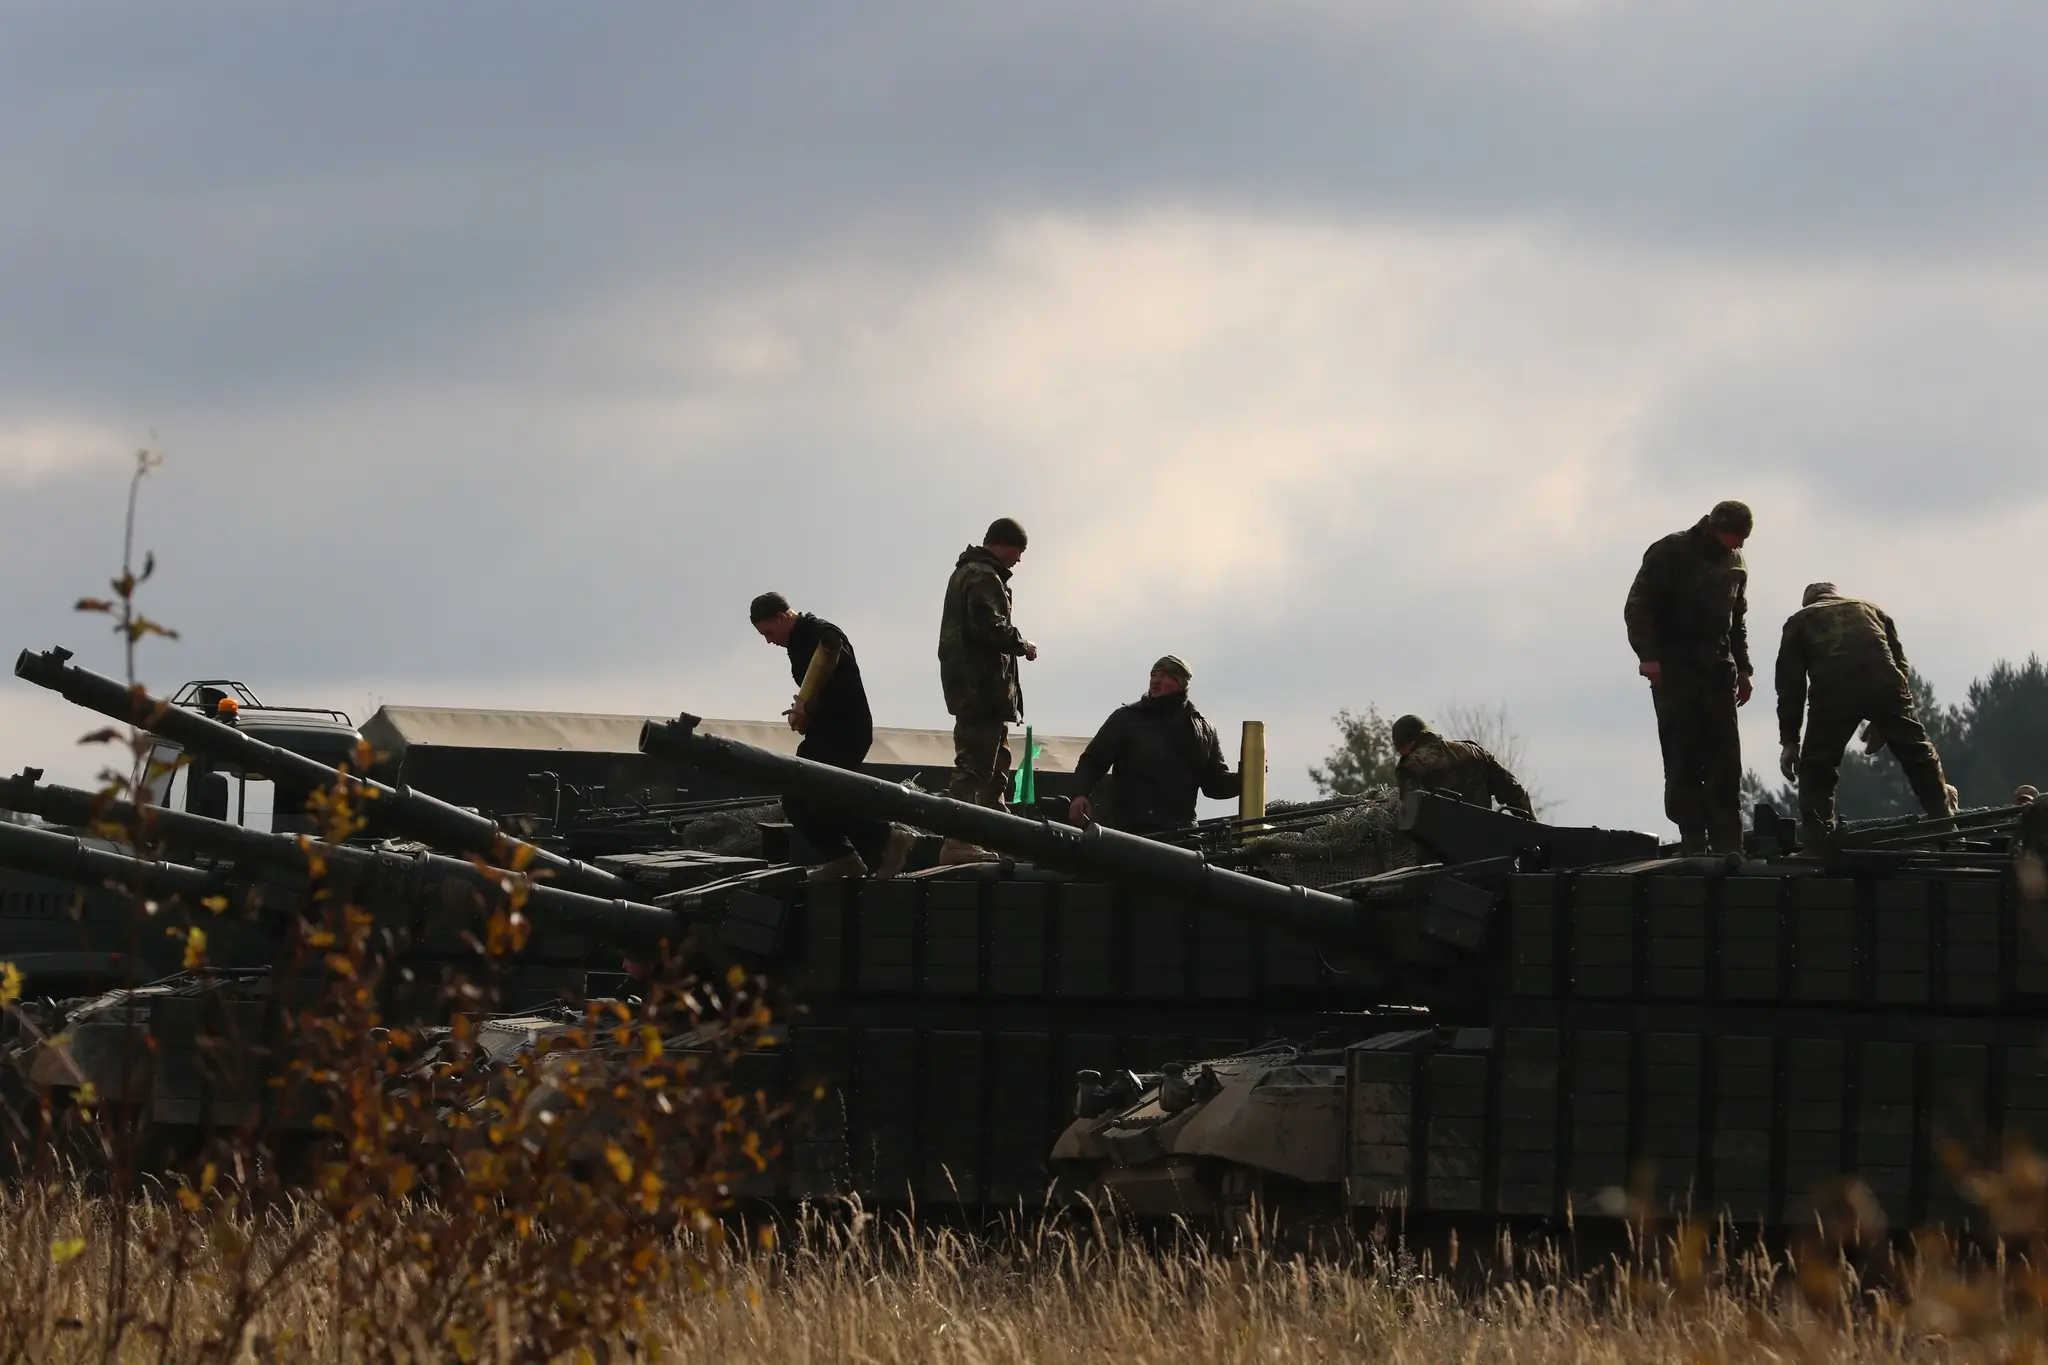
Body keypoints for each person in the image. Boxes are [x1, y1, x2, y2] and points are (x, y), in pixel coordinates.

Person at [1774, 582, 1957, 848]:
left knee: (1817, 768)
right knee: (1919, 756)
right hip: (1885, 687)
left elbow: (1790, 686)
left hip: (1833, 691)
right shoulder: (1871, 610)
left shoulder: (1800, 620)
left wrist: (1790, 742)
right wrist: (1888, 716)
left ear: (1809, 602)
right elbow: (1899, 664)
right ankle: (1946, 826)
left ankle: (1817, 842)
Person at [749, 592, 913, 881]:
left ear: (782, 616)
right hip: (825, 731)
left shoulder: (823, 635)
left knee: (819, 794)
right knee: (797, 798)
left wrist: (809, 708)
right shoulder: (799, 641)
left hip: (847, 730)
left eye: (769, 632)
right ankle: (843, 859)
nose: (768, 640)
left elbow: (844, 689)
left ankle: (888, 838)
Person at [1623, 499, 1755, 855]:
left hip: (1717, 670)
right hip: (1675, 669)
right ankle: (1693, 837)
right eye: (1736, 535)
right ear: (1717, 527)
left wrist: (1743, 669)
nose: (1740, 544)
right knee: (1683, 757)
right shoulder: (1671, 551)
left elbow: (1737, 622)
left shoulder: (1736, 562)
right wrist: (1648, 656)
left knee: (1725, 760)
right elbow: (1639, 605)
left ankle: (1729, 842)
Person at [936, 517, 1038, 863]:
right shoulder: (982, 575)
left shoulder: (970, 573)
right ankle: (958, 840)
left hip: (980, 690)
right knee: (975, 766)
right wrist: (1022, 644)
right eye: (1018, 551)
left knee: (996, 766)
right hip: (979, 689)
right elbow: (989, 627)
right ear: (1004, 544)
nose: (1019, 560)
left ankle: (995, 833)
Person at [1069, 656, 1241, 835]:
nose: (1156, 681)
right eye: (1154, 675)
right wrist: (1079, 795)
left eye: (1166, 676)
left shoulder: (1203, 729)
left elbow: (1215, 784)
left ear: (1182, 684)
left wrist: (1249, 775)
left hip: (1185, 834)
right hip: (1134, 832)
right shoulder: (1127, 719)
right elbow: (1093, 761)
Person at [1390, 714, 1534, 816]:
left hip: (1442, 850)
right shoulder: (1474, 751)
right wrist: (1534, 828)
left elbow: (1414, 813)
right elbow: (1514, 790)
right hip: (1487, 841)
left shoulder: (1408, 767)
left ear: (1408, 743)